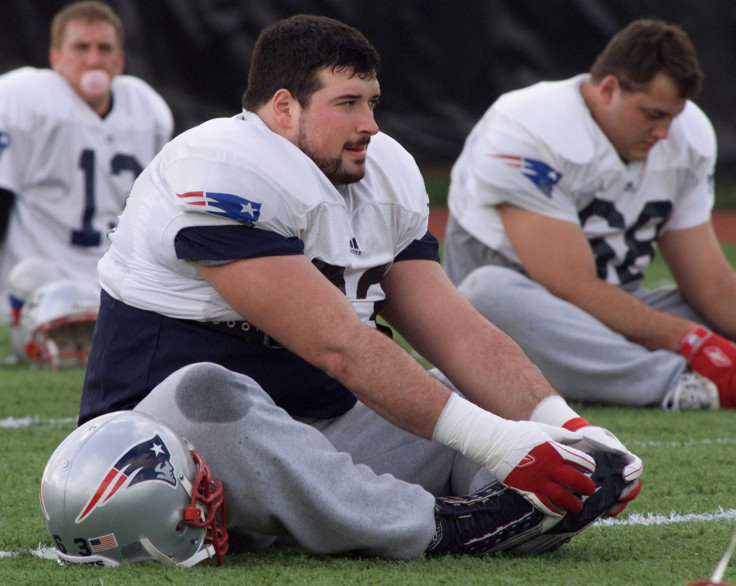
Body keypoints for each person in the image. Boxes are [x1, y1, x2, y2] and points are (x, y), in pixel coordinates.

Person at [77, 14, 641, 559]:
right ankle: (436, 527)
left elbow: (459, 333)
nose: (369, 123)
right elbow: (338, 344)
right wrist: (498, 443)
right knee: (205, 393)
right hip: (166, 454)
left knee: (464, 391)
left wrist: (565, 427)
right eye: (346, 103)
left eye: (371, 101)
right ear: (282, 107)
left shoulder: (380, 172)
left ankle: (532, 505)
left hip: (320, 434)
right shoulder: (220, 165)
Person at [443, 18, 736, 411]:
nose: (665, 132)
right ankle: (672, 383)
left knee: (704, 311)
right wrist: (693, 341)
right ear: (609, 88)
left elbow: (711, 286)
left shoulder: (690, 135)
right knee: (483, 292)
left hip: (614, 306)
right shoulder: (527, 126)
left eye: (673, 116)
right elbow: (569, 285)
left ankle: (641, 366)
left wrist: (697, 332)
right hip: (524, 315)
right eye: (652, 114)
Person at [0, 1, 173, 322]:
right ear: (55, 58)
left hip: (115, 290)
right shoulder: (23, 99)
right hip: (36, 292)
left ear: (119, 61)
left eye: (104, 48)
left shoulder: (146, 110)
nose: (94, 60)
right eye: (81, 47)